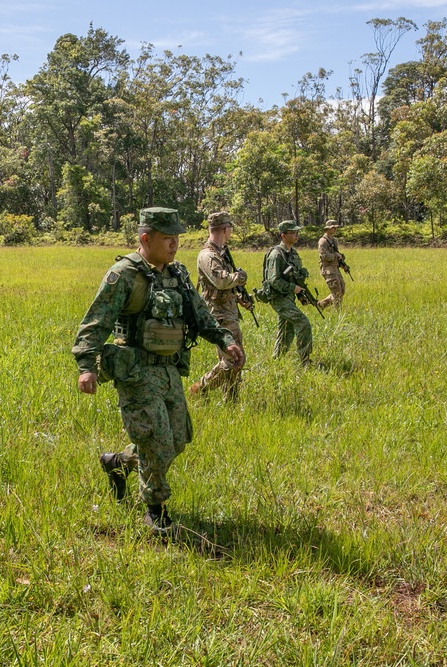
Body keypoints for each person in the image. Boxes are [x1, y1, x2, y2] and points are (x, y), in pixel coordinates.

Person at [72, 207, 244, 534]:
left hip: (168, 370)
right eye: (167, 238)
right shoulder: (123, 275)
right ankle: (156, 512)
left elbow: (201, 317)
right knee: (155, 438)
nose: (175, 244)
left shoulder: (177, 274)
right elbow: (96, 322)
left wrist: (224, 340)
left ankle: (119, 463)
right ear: (145, 238)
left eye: (177, 237)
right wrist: (86, 366)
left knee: (178, 438)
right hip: (135, 370)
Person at [191, 211, 250, 400]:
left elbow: (223, 289)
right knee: (234, 358)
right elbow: (220, 281)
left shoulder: (220, 253)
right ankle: (201, 388)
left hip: (228, 310)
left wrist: (239, 298)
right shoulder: (208, 256)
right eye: (230, 228)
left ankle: (231, 399)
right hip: (219, 315)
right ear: (225, 229)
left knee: (234, 359)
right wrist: (239, 277)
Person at [263, 220, 313, 366]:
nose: (297, 235)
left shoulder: (293, 253)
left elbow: (296, 277)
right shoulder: (276, 255)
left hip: (289, 298)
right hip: (278, 298)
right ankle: (305, 361)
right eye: (293, 232)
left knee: (286, 330)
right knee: (303, 324)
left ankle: (276, 362)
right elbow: (273, 280)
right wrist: (292, 288)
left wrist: (300, 293)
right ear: (283, 235)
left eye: (297, 232)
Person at [317, 220, 345, 310]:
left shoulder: (334, 240)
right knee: (336, 291)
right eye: (333, 227)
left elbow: (336, 252)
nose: (335, 229)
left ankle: (322, 304)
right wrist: (335, 256)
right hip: (328, 268)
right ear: (328, 229)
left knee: (342, 289)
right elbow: (324, 256)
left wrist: (342, 263)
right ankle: (338, 312)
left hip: (335, 267)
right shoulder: (322, 241)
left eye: (335, 227)